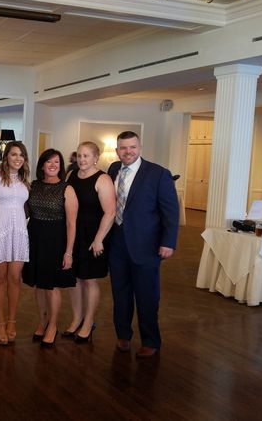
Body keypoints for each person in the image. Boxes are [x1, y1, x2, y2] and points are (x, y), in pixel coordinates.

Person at [108, 131, 179, 358]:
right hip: (117, 243)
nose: (127, 151)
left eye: (132, 147)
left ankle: (150, 340)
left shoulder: (158, 174)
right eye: (123, 148)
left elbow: (171, 212)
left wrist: (168, 242)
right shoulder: (113, 170)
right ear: (117, 150)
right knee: (120, 293)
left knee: (147, 296)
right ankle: (123, 336)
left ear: (140, 148)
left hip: (147, 246)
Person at [22, 149, 78, 347]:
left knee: (51, 286)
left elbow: (71, 224)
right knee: (39, 285)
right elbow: (25, 211)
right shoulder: (33, 186)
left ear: (61, 166)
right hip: (34, 238)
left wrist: (68, 252)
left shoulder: (67, 189)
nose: (53, 165)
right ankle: (43, 321)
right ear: (42, 165)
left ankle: (53, 325)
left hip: (56, 241)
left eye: (57, 162)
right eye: (49, 161)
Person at [63, 142, 116, 343]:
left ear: (96, 157)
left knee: (89, 280)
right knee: (74, 279)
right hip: (74, 234)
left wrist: (99, 239)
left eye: (86, 156)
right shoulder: (71, 175)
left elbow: (110, 212)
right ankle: (77, 318)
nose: (82, 159)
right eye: (79, 155)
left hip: (94, 236)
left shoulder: (103, 179)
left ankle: (89, 322)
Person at [0, 141, 30, 345]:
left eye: (21, 155)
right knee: (0, 277)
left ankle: (12, 321)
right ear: (6, 157)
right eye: (13, 154)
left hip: (18, 231)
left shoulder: (25, 179)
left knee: (15, 277)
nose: (17, 158)